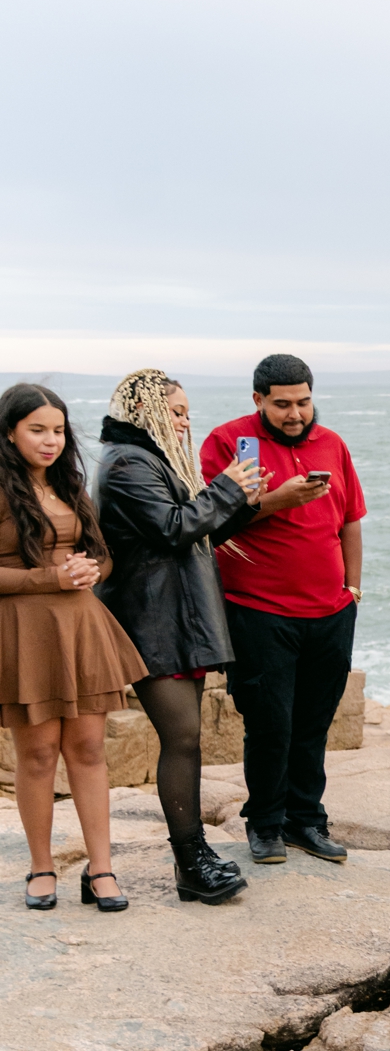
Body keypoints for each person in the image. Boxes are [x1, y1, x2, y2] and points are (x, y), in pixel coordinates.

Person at [94, 369, 260, 904]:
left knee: (185, 739)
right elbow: (174, 527)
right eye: (178, 412)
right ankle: (190, 861)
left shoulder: (151, 460)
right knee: (183, 734)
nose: (188, 422)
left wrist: (240, 501)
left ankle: (196, 857)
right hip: (151, 622)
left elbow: (196, 532)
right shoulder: (127, 465)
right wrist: (227, 489)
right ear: (147, 413)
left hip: (175, 617)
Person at [201, 353, 366, 866]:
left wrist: (353, 590)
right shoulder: (228, 442)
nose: (295, 414)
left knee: (314, 721)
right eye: (282, 405)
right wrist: (276, 500)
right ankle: (265, 825)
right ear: (258, 400)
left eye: (303, 401)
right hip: (259, 610)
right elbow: (210, 524)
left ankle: (306, 822)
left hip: (331, 610)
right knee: (270, 723)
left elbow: (351, 520)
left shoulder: (332, 443)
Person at [0, 383, 146, 911]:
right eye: (37, 430)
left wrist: (89, 570)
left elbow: (101, 556)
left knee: (87, 749)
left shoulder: (69, 485)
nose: (50, 441)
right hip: (26, 634)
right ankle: (41, 868)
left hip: (81, 627)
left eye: (58, 430)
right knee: (37, 754)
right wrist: (50, 579)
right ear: (10, 432)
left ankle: (101, 869)